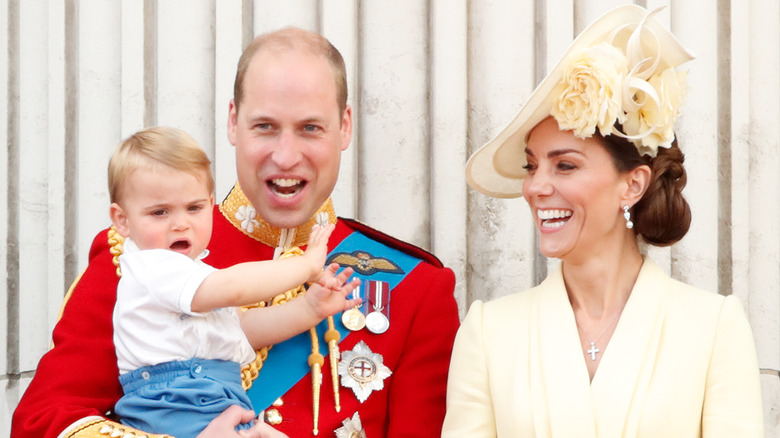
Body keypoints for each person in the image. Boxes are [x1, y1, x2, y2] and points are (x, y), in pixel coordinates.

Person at [12, 27, 460, 438]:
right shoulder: (137, 253)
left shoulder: (414, 290)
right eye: (265, 126)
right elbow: (40, 423)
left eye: (310, 128)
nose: (286, 157)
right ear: (233, 121)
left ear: (344, 127)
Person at [443, 5, 763, 438]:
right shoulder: (488, 332)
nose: (536, 187)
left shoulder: (713, 327)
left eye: (565, 166)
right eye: (531, 166)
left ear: (632, 185)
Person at [106, 126, 360, 437]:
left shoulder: (189, 274)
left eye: (195, 208)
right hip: (175, 404)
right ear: (122, 220)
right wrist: (306, 266)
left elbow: (246, 328)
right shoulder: (154, 266)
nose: (180, 223)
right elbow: (233, 288)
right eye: (160, 212)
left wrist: (308, 309)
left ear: (210, 203)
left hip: (209, 401)